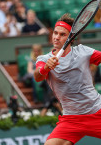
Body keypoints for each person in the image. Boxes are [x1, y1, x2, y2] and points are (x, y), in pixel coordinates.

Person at [34, 13, 101, 145]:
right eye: (55, 33)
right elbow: (37, 77)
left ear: (71, 38)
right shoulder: (44, 59)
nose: (56, 37)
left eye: (62, 34)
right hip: (71, 119)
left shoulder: (84, 52)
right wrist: (46, 68)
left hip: (96, 112)